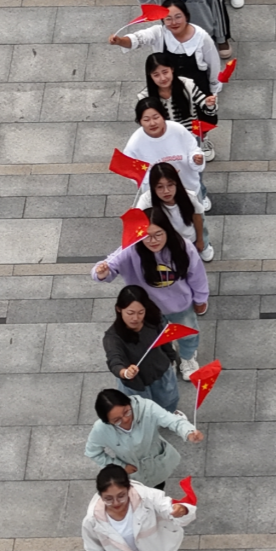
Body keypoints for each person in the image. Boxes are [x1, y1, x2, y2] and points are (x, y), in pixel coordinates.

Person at [92, 217, 208, 388]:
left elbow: (197, 275)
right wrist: (101, 272)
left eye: (158, 234)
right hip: (147, 309)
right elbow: (106, 267)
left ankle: (188, 358)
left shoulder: (183, 247)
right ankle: (168, 357)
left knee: (188, 334)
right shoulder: (130, 249)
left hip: (180, 305)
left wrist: (200, 299)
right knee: (157, 337)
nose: (153, 241)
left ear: (167, 231)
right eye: (147, 236)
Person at [86, 388, 202, 490]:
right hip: (132, 473)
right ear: (107, 422)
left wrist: (189, 432)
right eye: (117, 420)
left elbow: (172, 420)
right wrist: (120, 466)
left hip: (156, 464)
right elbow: (93, 452)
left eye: (127, 412)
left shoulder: (146, 408)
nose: (125, 420)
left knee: (158, 486)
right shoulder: (101, 429)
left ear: (129, 402)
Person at [121, 96, 211, 210]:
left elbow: (193, 149)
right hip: (160, 196)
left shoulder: (178, 130)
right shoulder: (134, 144)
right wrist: (162, 178)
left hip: (188, 188)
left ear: (163, 116)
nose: (152, 123)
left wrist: (196, 159)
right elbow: (133, 173)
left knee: (196, 217)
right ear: (139, 121)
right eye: (146, 120)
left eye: (156, 117)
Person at [139, 160, 214, 263]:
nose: (166, 191)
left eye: (170, 185)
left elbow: (197, 218)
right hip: (165, 245)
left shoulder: (189, 197)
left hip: (188, 240)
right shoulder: (147, 200)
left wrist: (200, 240)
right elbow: (137, 223)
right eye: (160, 187)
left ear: (176, 183)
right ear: (153, 187)